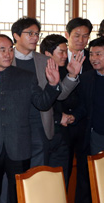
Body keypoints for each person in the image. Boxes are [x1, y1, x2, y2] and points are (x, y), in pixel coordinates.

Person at [0, 34, 62, 203]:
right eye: (2, 50)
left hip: (19, 145)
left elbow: (42, 103)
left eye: (10, 49)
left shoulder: (26, 76)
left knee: (18, 195)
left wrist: (53, 85)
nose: (8, 54)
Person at [11, 17, 80, 167]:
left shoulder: (44, 61)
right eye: (30, 33)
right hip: (12, 128)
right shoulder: (5, 60)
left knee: (38, 175)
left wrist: (72, 76)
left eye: (37, 34)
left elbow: (58, 94)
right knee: (12, 178)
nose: (35, 37)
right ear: (16, 36)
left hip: (39, 126)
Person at [40, 34, 85, 187]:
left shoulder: (67, 70)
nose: (66, 56)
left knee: (60, 183)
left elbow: (70, 99)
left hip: (63, 136)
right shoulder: (38, 73)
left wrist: (73, 116)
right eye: (61, 52)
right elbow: (41, 104)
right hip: (43, 138)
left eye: (66, 52)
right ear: (47, 54)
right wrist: (59, 117)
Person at [64, 17, 93, 203]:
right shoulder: (55, 56)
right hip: (62, 124)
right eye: (76, 35)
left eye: (85, 36)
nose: (81, 40)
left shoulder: (94, 57)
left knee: (85, 173)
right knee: (61, 171)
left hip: (86, 123)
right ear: (67, 35)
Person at [70, 37, 104, 156]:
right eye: (91, 54)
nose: (94, 58)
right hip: (97, 134)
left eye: (98, 54)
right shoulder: (86, 78)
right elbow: (84, 105)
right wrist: (74, 116)